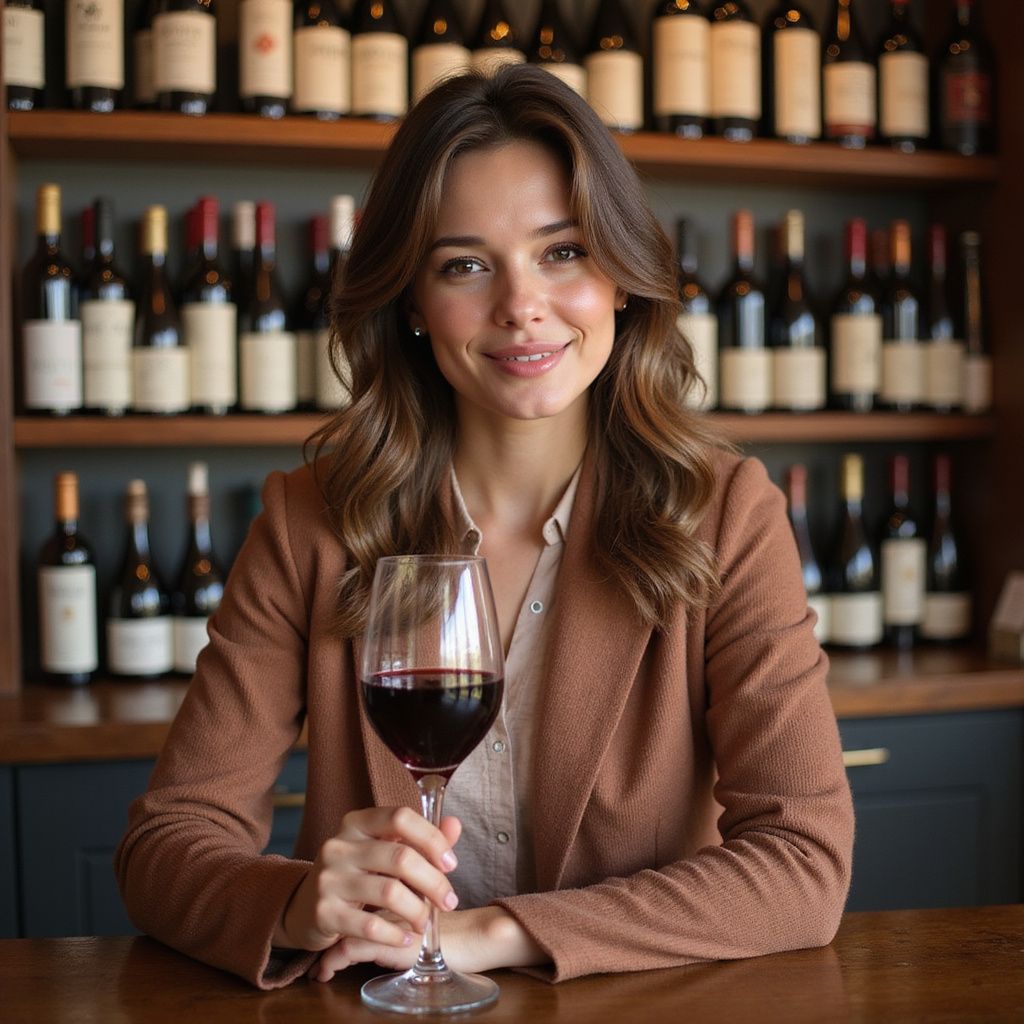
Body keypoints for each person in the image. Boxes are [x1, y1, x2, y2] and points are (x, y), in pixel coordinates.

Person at [115, 66, 854, 990]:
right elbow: (167, 844)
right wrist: (299, 904)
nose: (520, 304)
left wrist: (489, 934)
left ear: (623, 279)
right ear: (413, 307)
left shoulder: (727, 515)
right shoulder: (311, 521)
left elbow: (803, 864)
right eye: (464, 265)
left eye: (564, 252)